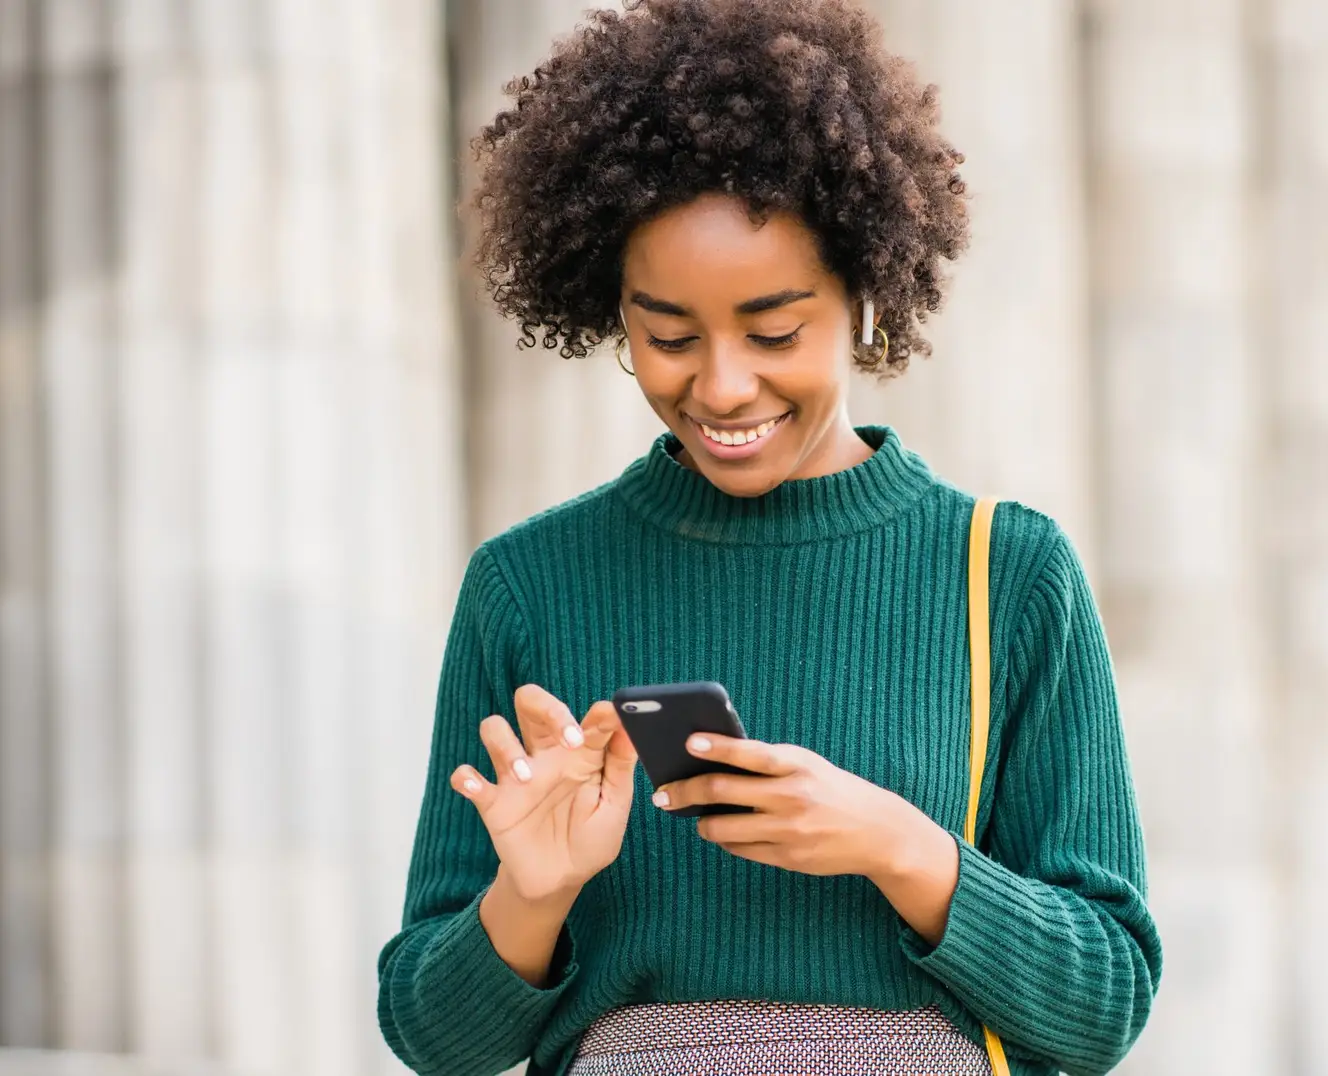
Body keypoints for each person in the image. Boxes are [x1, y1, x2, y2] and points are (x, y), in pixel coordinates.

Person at [375, 1, 1160, 1073]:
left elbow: (1103, 1001)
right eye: (667, 334)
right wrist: (533, 890)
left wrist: (899, 847)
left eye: (776, 329)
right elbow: (431, 1035)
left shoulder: (1009, 575)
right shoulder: (528, 585)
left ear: (867, 297)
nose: (722, 384)